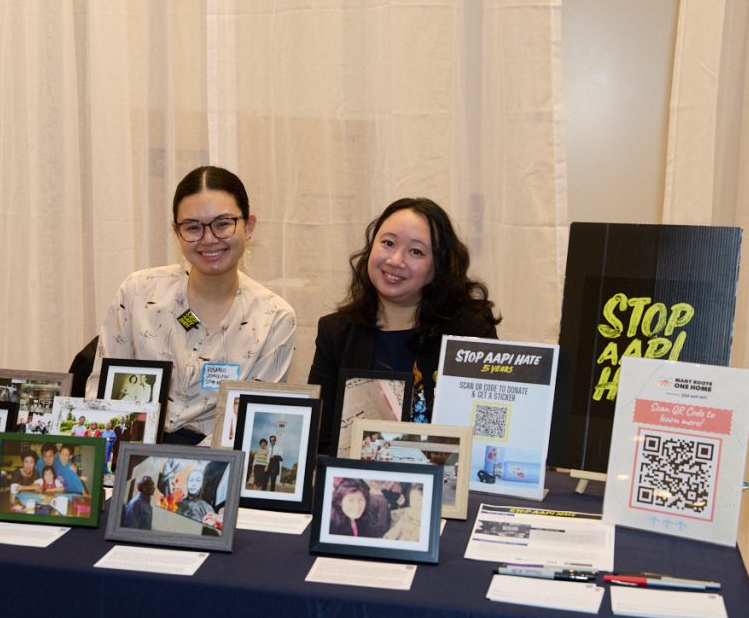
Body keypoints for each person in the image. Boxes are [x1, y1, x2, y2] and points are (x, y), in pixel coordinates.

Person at [95, 166, 297, 444]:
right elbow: (102, 394)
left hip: (219, 458)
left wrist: (183, 465)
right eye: (193, 227)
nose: (209, 239)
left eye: (223, 224)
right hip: (131, 448)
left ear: (248, 226)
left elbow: (252, 423)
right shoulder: (138, 292)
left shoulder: (274, 318)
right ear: (176, 232)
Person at [308, 198, 500, 456]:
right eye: (388, 243)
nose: (396, 260)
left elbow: (487, 436)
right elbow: (319, 440)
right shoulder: (336, 332)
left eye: (416, 252)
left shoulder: (470, 329)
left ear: (438, 266)